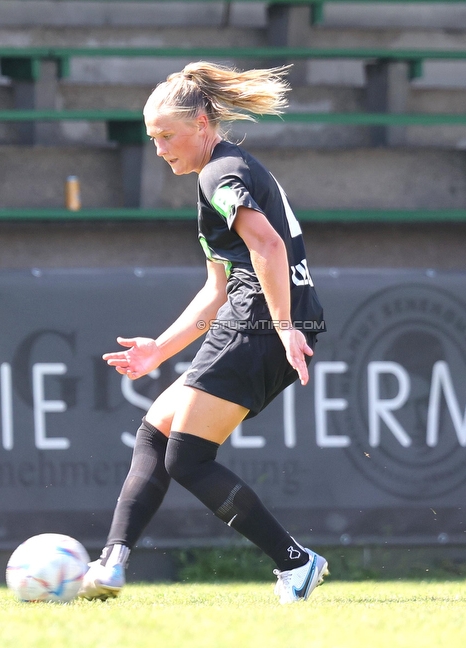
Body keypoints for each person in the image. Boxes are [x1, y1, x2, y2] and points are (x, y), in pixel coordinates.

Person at [78, 62, 328, 604]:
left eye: (168, 135)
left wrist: (284, 328)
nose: (161, 147)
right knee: (156, 431)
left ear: (201, 121)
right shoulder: (222, 172)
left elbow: (269, 248)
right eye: (152, 138)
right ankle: (113, 561)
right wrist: (159, 350)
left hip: (261, 323)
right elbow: (217, 287)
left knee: (187, 458)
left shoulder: (220, 173)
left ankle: (296, 563)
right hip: (257, 317)